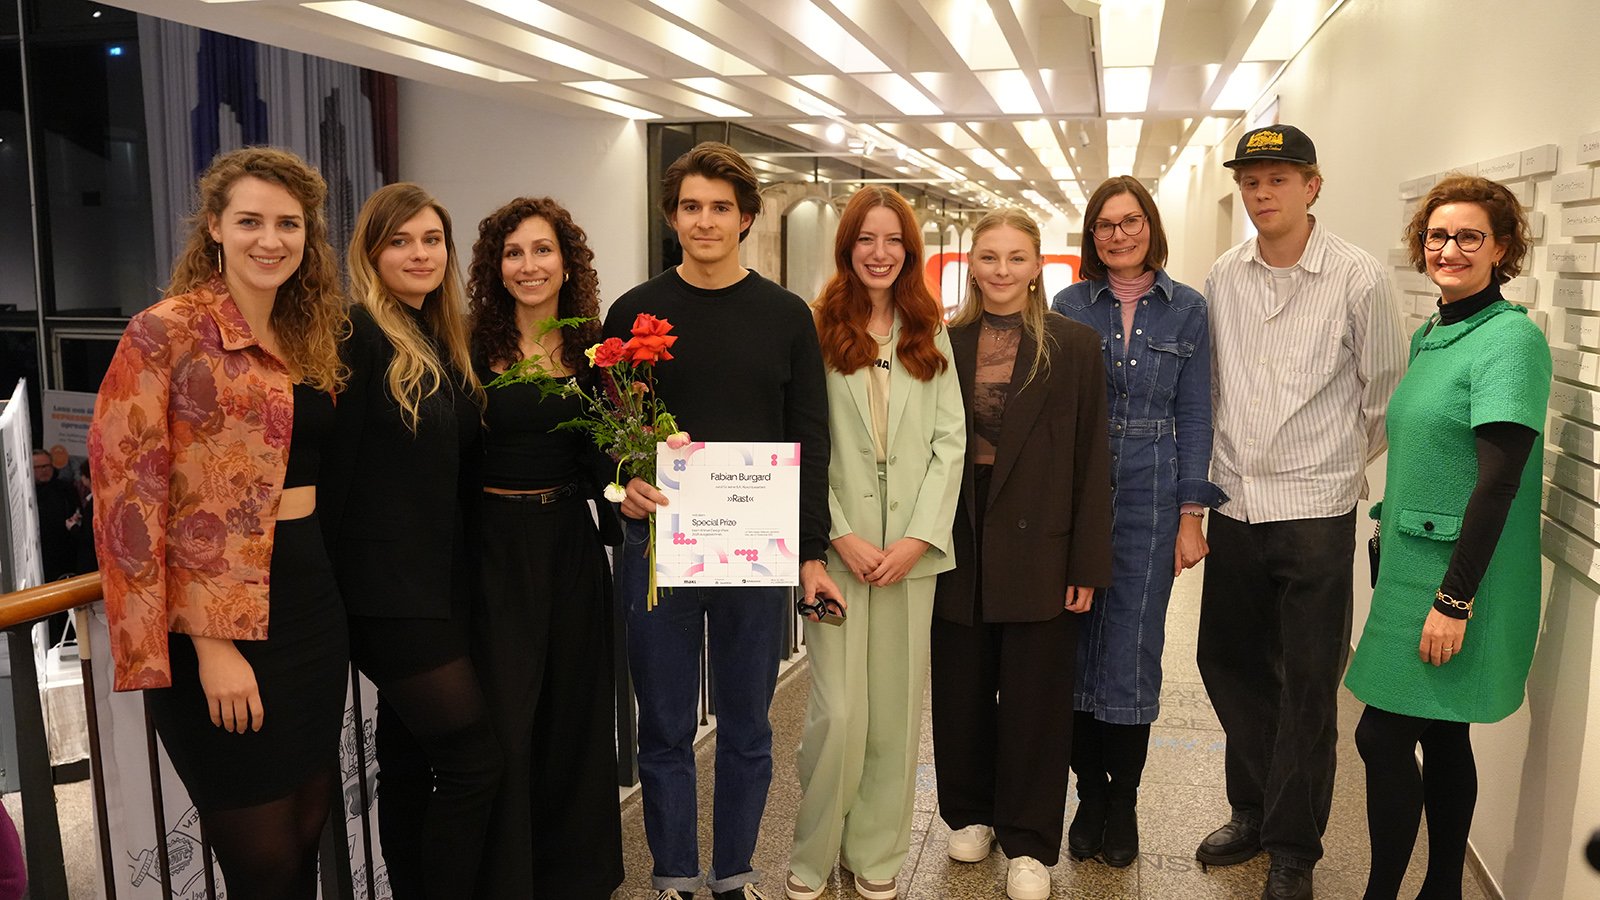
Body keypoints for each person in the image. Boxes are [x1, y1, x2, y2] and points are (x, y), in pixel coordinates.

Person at [89, 146, 350, 899]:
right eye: (250, 221)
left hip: (307, 602)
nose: (271, 240)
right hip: (218, 623)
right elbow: (129, 503)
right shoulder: (164, 332)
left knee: (306, 827)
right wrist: (213, 646)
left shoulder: (307, 338)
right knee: (263, 857)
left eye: (288, 224)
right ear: (214, 228)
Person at [604, 140, 837, 900]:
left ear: (745, 219)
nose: (704, 221)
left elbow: (809, 438)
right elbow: (609, 437)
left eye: (720, 208)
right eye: (691, 207)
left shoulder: (784, 316)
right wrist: (624, 483)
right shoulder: (632, 312)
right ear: (672, 216)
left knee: (747, 729)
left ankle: (733, 875)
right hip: (659, 548)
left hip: (752, 554)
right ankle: (674, 876)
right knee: (665, 728)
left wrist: (808, 554)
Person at [1194, 124, 1407, 900]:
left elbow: (1386, 395)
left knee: (1310, 682)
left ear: (1312, 186)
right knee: (1229, 663)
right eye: (1251, 182)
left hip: (1316, 511)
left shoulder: (1357, 278)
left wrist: (1337, 470)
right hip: (1237, 507)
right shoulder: (1224, 274)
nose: (1261, 194)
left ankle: (1294, 847)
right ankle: (1252, 809)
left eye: (1278, 180)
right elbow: (1213, 386)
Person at [1345, 175, 1549, 900]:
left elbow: (1499, 484)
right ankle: (1442, 890)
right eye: (1438, 235)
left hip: (1457, 581)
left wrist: (1454, 601)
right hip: (1412, 569)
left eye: (1469, 236)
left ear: (1502, 248)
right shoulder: (1436, 332)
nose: (1450, 248)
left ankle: (1385, 894)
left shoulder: (1510, 341)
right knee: (1442, 735)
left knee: (1379, 737)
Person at [322, 182, 502, 899]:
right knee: (472, 762)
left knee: (406, 761)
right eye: (400, 241)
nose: (419, 253)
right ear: (371, 251)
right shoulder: (356, 332)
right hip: (387, 596)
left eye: (431, 240)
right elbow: (331, 476)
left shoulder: (441, 335)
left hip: (438, 584)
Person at [785, 187, 964, 900]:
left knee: (894, 710)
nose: (880, 252)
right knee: (838, 713)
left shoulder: (930, 331)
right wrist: (838, 533)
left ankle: (877, 850)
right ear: (847, 247)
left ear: (910, 251)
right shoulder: (817, 327)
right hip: (837, 558)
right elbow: (805, 436)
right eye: (867, 239)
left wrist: (919, 538)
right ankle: (813, 848)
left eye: (893, 240)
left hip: (909, 560)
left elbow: (950, 445)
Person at [931, 208, 1113, 900]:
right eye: (988, 257)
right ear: (969, 264)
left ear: (1040, 266)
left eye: (1016, 257)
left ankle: (1032, 842)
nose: (1001, 270)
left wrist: (1086, 565)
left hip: (1044, 544)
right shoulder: (944, 342)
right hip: (961, 537)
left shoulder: (1073, 345)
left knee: (1037, 697)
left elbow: (1093, 459)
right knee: (961, 686)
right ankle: (971, 813)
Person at [1052, 176, 1225, 868]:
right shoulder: (1067, 304)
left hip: (1153, 497)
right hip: (1077, 490)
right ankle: (1086, 796)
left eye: (1130, 222)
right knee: (1071, 648)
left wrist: (1192, 515)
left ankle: (1122, 804)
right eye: (1104, 225)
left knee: (1131, 653)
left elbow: (1195, 414)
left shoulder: (1187, 310)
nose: (1118, 235)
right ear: (1091, 236)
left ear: (1150, 227)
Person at [465, 197, 624, 898]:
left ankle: (578, 879)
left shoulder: (593, 350)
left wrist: (638, 473)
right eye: (514, 253)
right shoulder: (467, 347)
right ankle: (511, 880)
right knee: (507, 726)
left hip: (569, 544)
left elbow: (605, 462)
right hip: (493, 549)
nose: (529, 265)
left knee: (574, 714)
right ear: (496, 268)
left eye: (542, 250)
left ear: (567, 262)